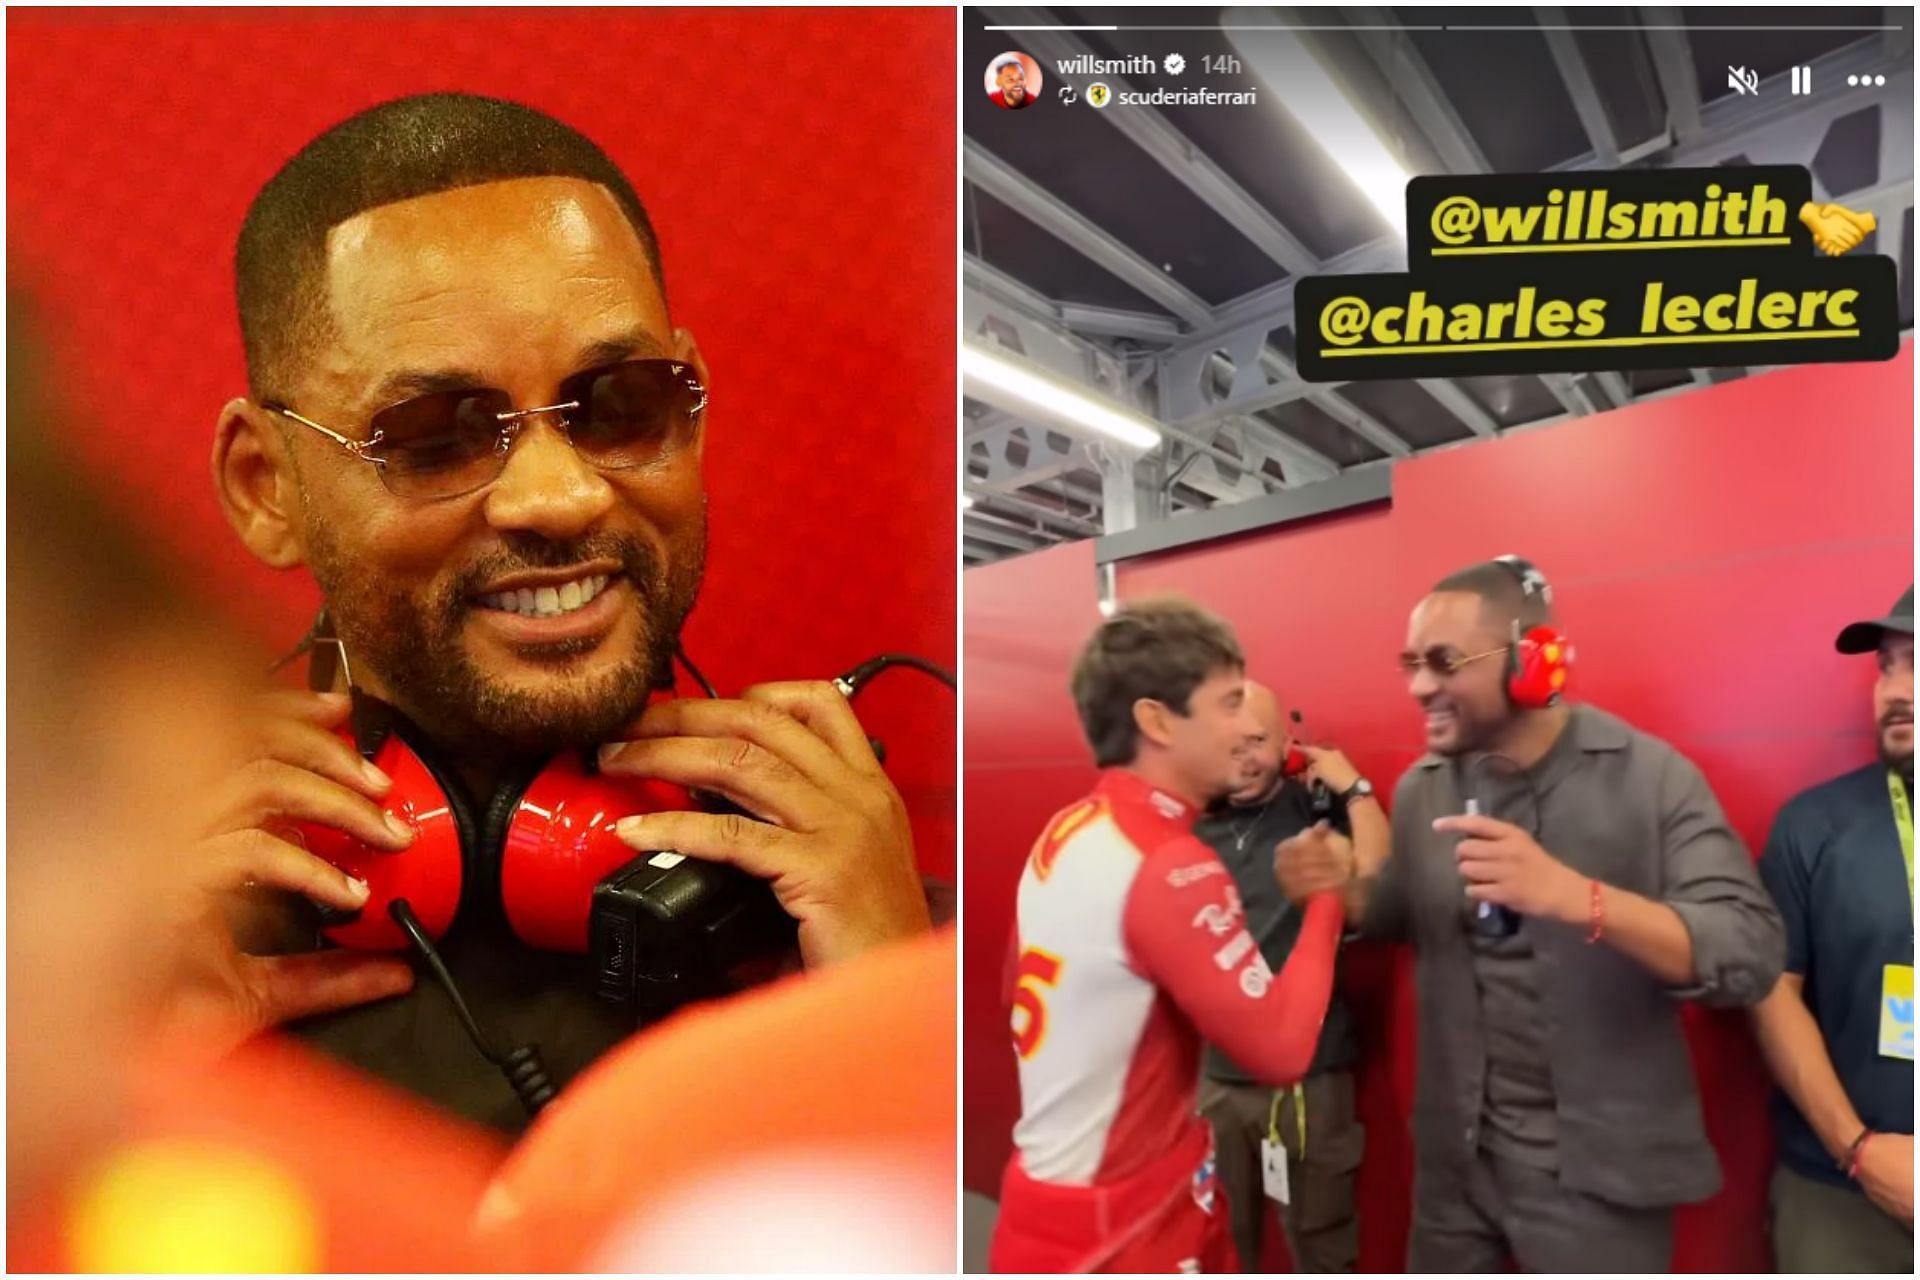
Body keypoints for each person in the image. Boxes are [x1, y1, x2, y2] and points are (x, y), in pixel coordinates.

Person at [206, 92, 933, 1131]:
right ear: (264, 484)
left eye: (622, 403)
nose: (560, 494)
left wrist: (894, 1020)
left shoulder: (867, 933)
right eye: (434, 434)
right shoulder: (140, 957)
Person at [1327, 556, 1784, 1272]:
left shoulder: (1650, 777)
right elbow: (1399, 915)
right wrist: (1341, 892)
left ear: (1533, 661)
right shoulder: (1423, 790)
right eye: (1411, 663)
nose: (1421, 687)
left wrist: (1580, 900)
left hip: (1598, 1181)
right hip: (1453, 1172)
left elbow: (1749, 951)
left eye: (1445, 661)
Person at [989, 598, 1350, 1274]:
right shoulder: (1167, 860)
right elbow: (1280, 1048)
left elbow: (1016, 991)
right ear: (1156, 719)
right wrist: (1326, 898)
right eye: (1229, 703)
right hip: (1118, 1226)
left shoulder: (1069, 829)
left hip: (1068, 1200)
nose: (1248, 730)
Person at [1751, 586, 1914, 1272]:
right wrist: (1859, 1149)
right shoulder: (1815, 826)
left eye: (1917, 664)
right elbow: (1770, 993)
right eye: (1887, 666)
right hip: (1843, 1189)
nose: (1895, 690)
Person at [1194, 682, 1384, 1272]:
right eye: (1229, 744)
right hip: (1215, 1081)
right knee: (1219, 1241)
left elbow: (1379, 884)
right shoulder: (1189, 826)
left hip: (1311, 1079)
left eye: (1257, 741)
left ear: (1286, 744)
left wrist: (1355, 788)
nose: (1243, 758)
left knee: (1322, 1246)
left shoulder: (1315, 813)